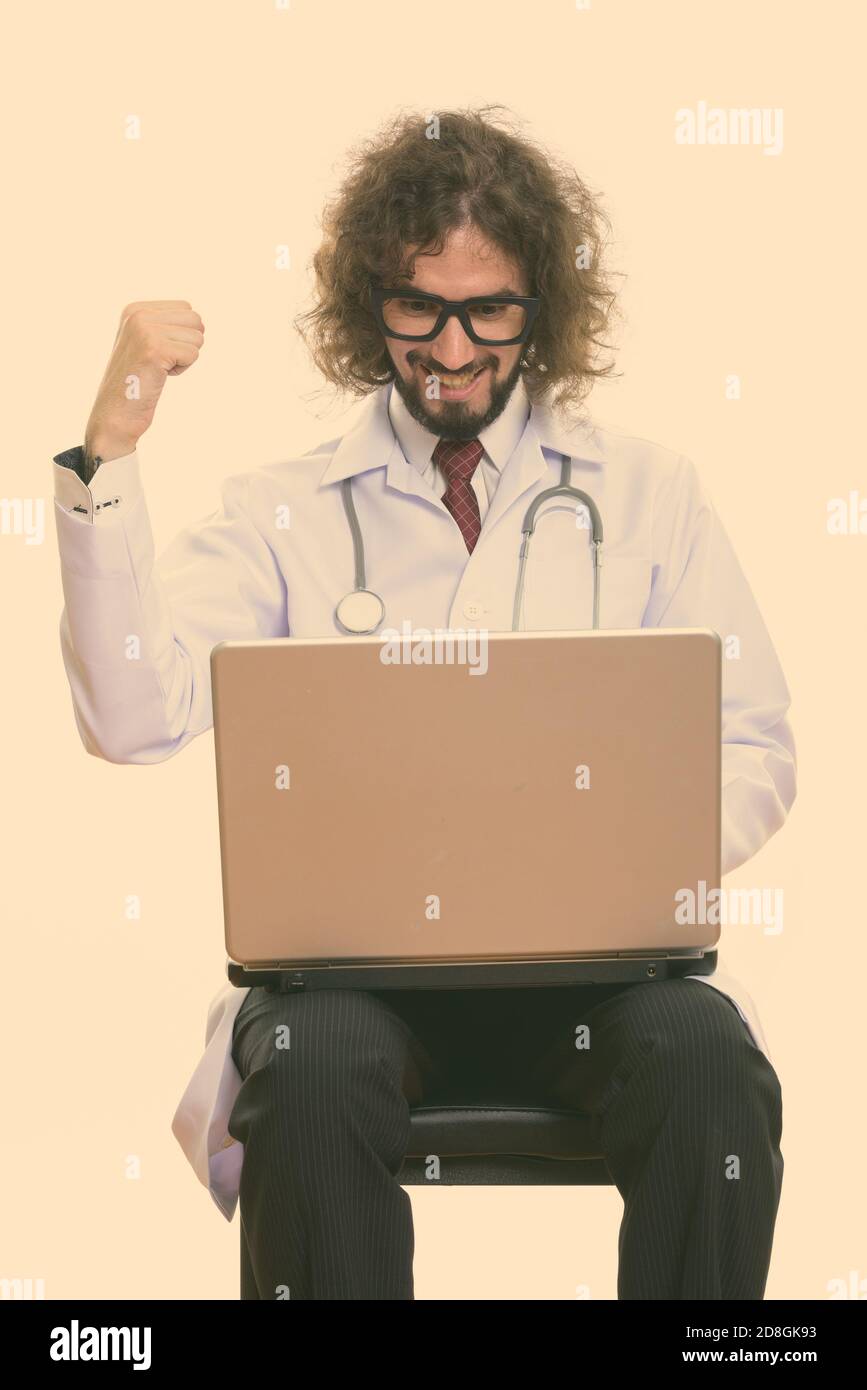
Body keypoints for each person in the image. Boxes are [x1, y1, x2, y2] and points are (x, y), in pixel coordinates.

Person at [51, 106, 796, 1300]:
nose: (453, 347)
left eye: (490, 309)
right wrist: (113, 445)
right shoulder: (280, 510)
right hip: (360, 988)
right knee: (311, 1050)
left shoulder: (651, 493)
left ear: (540, 310)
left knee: (707, 1056)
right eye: (419, 307)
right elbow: (132, 717)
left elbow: (755, 740)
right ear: (369, 304)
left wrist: (634, 858)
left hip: (594, 982)